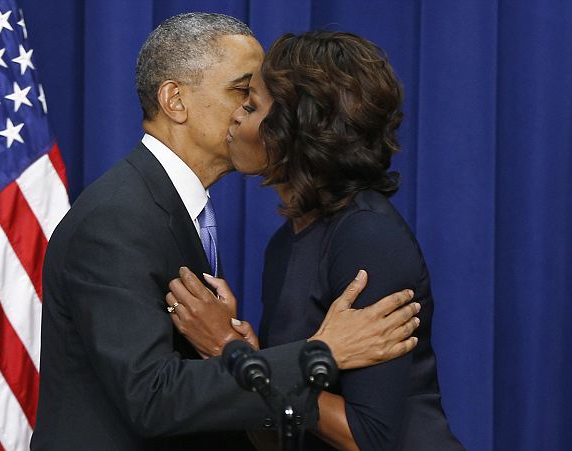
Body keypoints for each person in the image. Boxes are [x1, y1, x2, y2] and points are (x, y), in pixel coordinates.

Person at [31, 14, 421, 451]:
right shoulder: (116, 219)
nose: (255, 113)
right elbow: (151, 397)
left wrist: (235, 351)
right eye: (244, 92)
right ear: (175, 101)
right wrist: (320, 354)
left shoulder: (174, 207)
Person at [168, 31, 466, 450]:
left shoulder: (367, 237)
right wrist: (255, 363)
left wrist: (234, 350)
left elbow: (371, 438)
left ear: (296, 129)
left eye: (252, 105)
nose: (235, 115)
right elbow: (278, 431)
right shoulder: (284, 242)